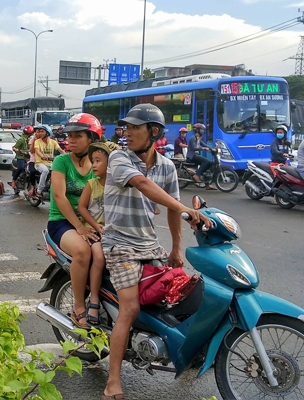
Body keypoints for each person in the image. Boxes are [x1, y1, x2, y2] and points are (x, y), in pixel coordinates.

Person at [100, 104, 209, 399]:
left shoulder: (167, 166)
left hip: (149, 244)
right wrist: (183, 208)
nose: (128, 132)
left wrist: (176, 249)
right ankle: (113, 382)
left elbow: (173, 210)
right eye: (127, 127)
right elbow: (143, 184)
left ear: (154, 132)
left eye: (136, 127)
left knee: (180, 293)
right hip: (119, 245)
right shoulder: (119, 157)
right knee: (131, 308)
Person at [46, 113, 100, 329]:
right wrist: (79, 227)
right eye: (70, 136)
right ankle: (79, 308)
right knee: (82, 251)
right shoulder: (61, 161)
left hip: (90, 221)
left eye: (78, 136)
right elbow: (59, 196)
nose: (71, 140)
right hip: (62, 222)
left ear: (92, 139)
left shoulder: (99, 163)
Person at [76, 141, 120, 326]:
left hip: (113, 233)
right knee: (99, 258)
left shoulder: (118, 186)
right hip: (94, 231)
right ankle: (94, 300)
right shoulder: (91, 184)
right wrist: (94, 225)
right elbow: (82, 207)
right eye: (93, 161)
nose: (93, 165)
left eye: (98, 161)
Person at [33, 125, 63, 196]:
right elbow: (37, 151)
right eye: (39, 132)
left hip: (50, 163)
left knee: (60, 171)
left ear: (48, 133)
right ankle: (39, 191)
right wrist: (42, 156)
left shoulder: (53, 142)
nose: (40, 133)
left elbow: (60, 150)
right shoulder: (37, 141)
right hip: (39, 163)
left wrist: (67, 156)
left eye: (42, 131)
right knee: (45, 170)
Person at [187, 123, 214, 190]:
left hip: (196, 155)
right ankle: (196, 175)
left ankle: (207, 184)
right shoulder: (193, 138)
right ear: (198, 130)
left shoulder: (198, 138)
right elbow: (194, 148)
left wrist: (212, 149)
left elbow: (204, 145)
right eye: (202, 129)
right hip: (192, 156)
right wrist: (203, 148)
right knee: (206, 161)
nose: (203, 131)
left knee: (209, 164)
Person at [269, 125, 292, 204]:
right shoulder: (274, 142)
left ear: (285, 133)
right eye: (278, 132)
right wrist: (283, 154)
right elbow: (274, 151)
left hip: (284, 163)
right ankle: (274, 197)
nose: (279, 134)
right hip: (275, 164)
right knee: (278, 178)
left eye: (281, 132)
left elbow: (289, 151)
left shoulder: (286, 142)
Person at [10, 125, 33, 190]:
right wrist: (16, 149)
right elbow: (14, 147)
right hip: (21, 157)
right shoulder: (21, 139)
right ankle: (14, 180)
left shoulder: (30, 139)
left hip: (29, 157)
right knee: (20, 168)